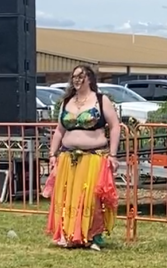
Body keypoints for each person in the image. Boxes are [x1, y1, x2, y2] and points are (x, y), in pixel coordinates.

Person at [45, 66, 120, 250]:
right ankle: (69, 235)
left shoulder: (101, 100)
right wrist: (52, 154)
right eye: (74, 77)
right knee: (68, 196)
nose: (77, 80)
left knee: (91, 197)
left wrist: (113, 154)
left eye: (81, 76)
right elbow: (59, 130)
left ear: (90, 79)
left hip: (93, 158)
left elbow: (115, 126)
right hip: (68, 157)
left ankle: (93, 236)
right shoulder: (67, 102)